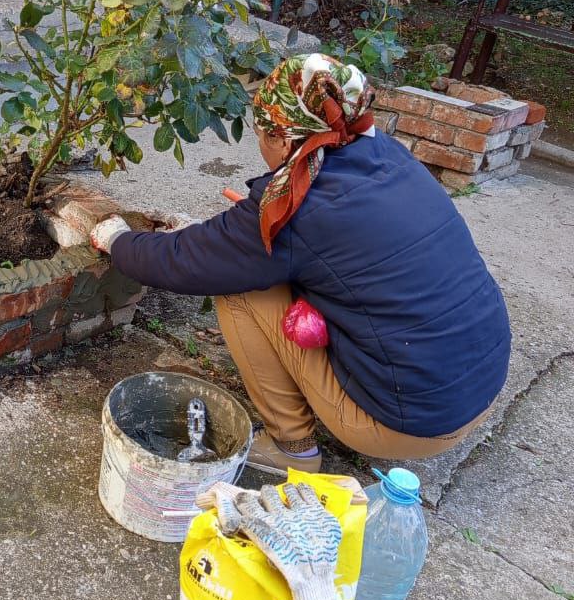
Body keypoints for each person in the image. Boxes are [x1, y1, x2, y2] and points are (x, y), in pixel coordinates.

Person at [89, 53, 511, 475]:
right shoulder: (386, 154)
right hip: (477, 387)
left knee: (239, 291)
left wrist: (117, 240)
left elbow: (184, 262)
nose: (261, 146)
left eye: (262, 133)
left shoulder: (297, 207)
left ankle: (291, 447)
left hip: (410, 423)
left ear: (287, 140)